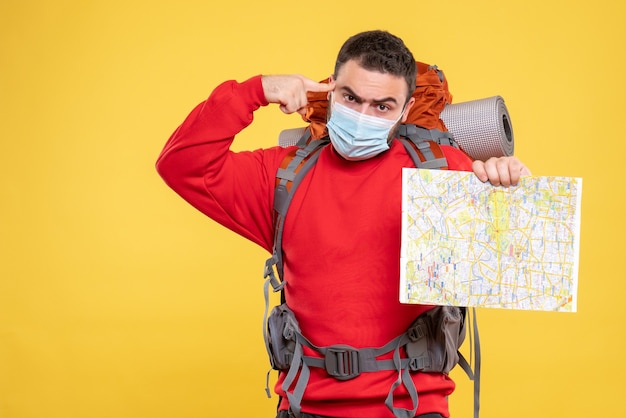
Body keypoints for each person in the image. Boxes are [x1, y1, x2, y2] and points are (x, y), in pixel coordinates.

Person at [156, 30, 530, 418]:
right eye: (351, 98)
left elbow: (515, 258)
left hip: (413, 407)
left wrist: (505, 186)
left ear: (406, 110)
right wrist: (257, 89)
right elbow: (181, 164)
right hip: (305, 407)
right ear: (330, 90)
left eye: (383, 106)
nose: (363, 116)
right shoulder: (283, 175)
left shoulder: (441, 174)